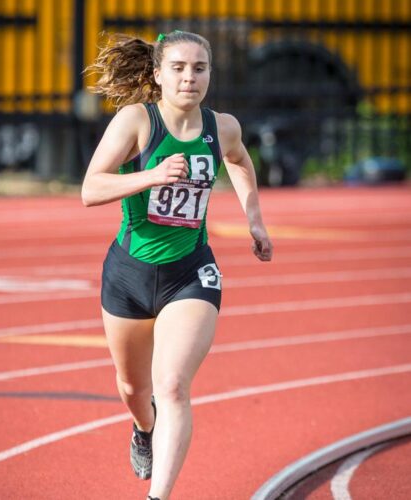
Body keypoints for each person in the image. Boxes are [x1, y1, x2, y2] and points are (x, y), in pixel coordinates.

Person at [81, 30, 273, 500]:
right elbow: (90, 189)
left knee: (171, 386)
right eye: (180, 68)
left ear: (210, 73)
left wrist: (255, 220)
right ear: (158, 74)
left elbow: (240, 160)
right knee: (133, 387)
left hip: (191, 273)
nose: (190, 78)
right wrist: (153, 174)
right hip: (128, 274)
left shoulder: (221, 126)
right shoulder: (136, 121)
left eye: (200, 68)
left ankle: (158, 497)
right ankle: (142, 427)